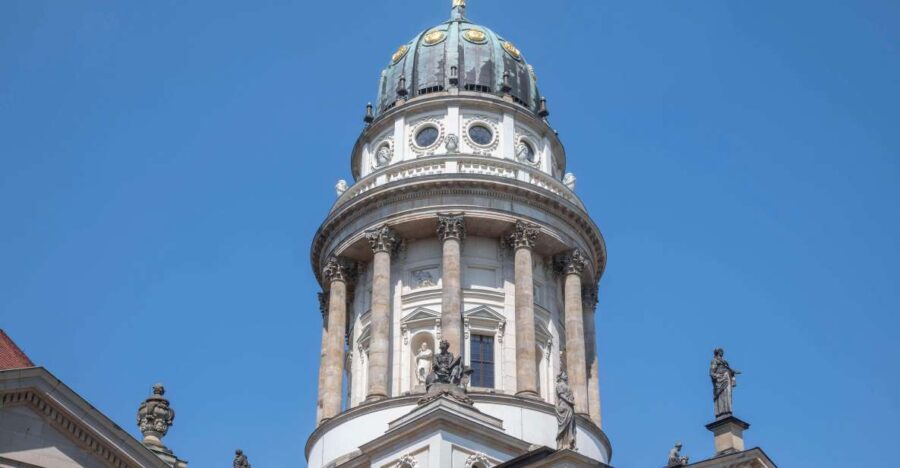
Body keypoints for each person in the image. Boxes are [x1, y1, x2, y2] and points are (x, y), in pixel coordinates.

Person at [710, 348, 740, 418]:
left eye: (722, 351)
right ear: (717, 352)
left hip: (727, 378)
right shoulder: (714, 360)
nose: (722, 352)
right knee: (722, 396)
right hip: (720, 380)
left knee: (728, 394)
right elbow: (712, 372)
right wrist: (718, 376)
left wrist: (732, 373)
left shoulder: (725, 362)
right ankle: (721, 411)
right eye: (720, 351)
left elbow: (729, 370)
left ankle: (727, 410)